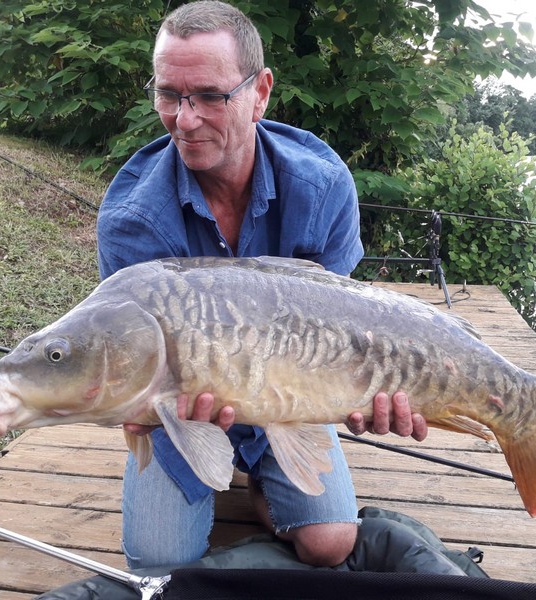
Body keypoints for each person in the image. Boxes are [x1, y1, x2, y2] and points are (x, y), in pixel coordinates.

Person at [96, 0, 427, 571]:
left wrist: (364, 395)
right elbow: (130, 359)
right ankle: (226, 470)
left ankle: (260, 481)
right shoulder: (131, 217)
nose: (185, 119)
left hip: (293, 394)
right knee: (159, 563)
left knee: (330, 544)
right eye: (169, 95)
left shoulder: (321, 185)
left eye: (210, 96)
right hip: (183, 414)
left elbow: (343, 337)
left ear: (261, 92)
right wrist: (133, 403)